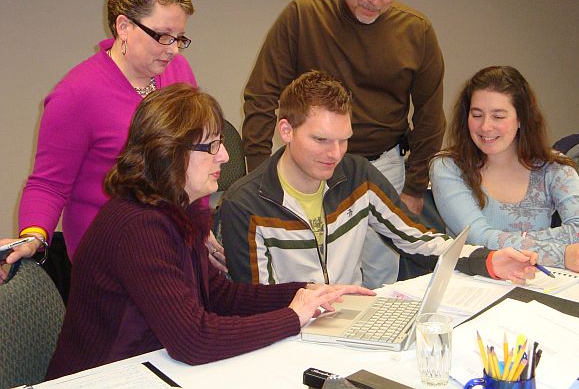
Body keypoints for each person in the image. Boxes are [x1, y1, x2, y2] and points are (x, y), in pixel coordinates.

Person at [45, 84, 372, 379]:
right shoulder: (138, 226)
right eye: (212, 146)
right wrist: (292, 316)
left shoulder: (173, 210)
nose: (226, 156)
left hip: (148, 369)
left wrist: (312, 293)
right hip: (105, 378)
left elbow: (219, 296)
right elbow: (193, 340)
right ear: (170, 151)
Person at [242, 0, 446, 288]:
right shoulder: (303, 17)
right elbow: (261, 96)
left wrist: (415, 188)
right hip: (313, 169)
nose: (376, 0)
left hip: (384, 168)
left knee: (383, 280)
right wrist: (259, 177)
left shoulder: (416, 31)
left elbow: (430, 116)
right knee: (314, 278)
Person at [1, 0, 224, 282]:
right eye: (163, 36)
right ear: (124, 26)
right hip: (110, 261)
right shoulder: (76, 94)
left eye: (180, 38)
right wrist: (34, 236)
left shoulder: (179, 73)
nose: (173, 49)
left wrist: (199, 227)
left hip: (171, 248)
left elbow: (194, 161)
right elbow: (48, 183)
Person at [218, 71, 537, 287]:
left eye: (344, 140)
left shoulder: (358, 177)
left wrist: (489, 260)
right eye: (321, 140)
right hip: (290, 335)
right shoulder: (245, 203)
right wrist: (317, 302)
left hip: (349, 324)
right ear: (286, 130)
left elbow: (419, 242)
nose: (335, 153)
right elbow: (256, 302)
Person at [429, 66, 579, 273]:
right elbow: (478, 238)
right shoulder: (448, 167)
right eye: (477, 115)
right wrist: (560, 253)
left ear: (521, 119)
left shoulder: (553, 167)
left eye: (498, 116)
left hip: (537, 279)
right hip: (472, 281)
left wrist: (522, 243)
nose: (485, 127)